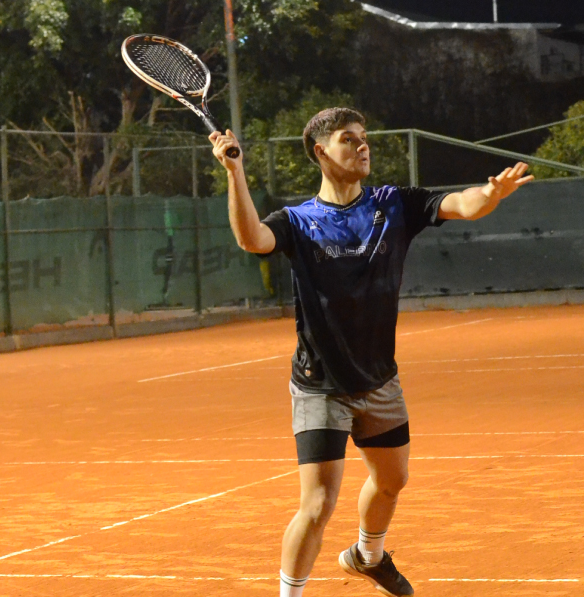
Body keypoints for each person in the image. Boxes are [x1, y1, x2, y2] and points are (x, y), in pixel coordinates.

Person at [210, 107, 533, 597]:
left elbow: (462, 204)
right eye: (348, 139)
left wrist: (491, 193)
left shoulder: (393, 205)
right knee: (317, 504)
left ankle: (367, 556)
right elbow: (251, 238)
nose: (363, 146)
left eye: (364, 138)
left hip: (380, 379)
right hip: (321, 384)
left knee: (392, 481)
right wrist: (235, 173)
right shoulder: (299, 221)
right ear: (321, 152)